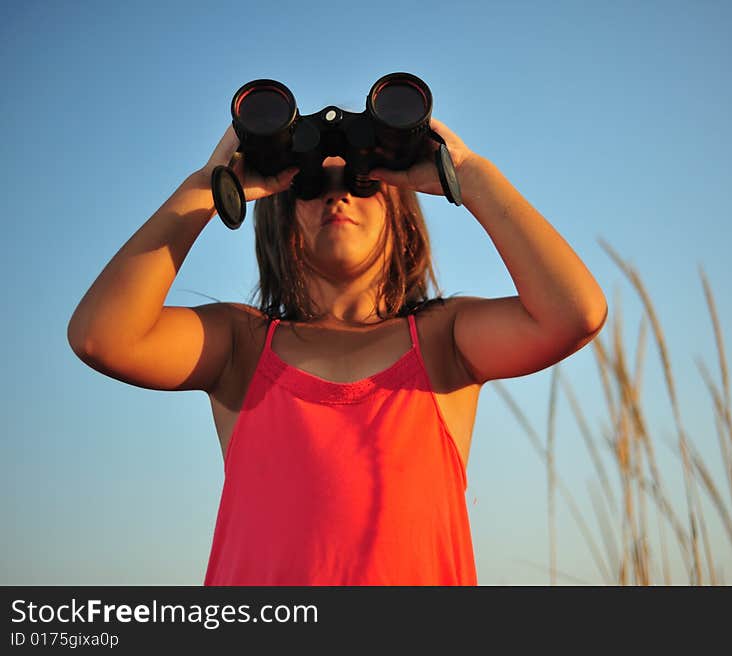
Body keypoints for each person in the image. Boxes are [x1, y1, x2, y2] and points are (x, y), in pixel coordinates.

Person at [67, 115, 608, 586]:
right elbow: (102, 336)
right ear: (280, 215)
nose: (337, 193)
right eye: (309, 184)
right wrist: (205, 191)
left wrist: (469, 175)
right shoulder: (243, 344)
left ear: (402, 213)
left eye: (362, 181)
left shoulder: (444, 338)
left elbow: (573, 314)